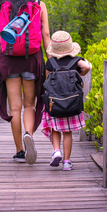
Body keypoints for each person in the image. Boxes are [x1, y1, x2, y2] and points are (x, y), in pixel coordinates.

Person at [0, 0, 51, 164]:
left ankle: (19, 151)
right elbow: (46, 36)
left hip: (9, 61)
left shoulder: (1, 5)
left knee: (14, 108)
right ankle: (28, 134)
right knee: (29, 105)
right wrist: (52, 62)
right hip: (32, 60)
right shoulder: (39, 5)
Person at [41, 31, 91, 170]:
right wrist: (79, 74)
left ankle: (56, 151)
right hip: (72, 101)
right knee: (67, 132)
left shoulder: (50, 62)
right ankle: (67, 162)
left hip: (54, 102)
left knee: (55, 129)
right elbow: (87, 66)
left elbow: (47, 80)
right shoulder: (76, 60)